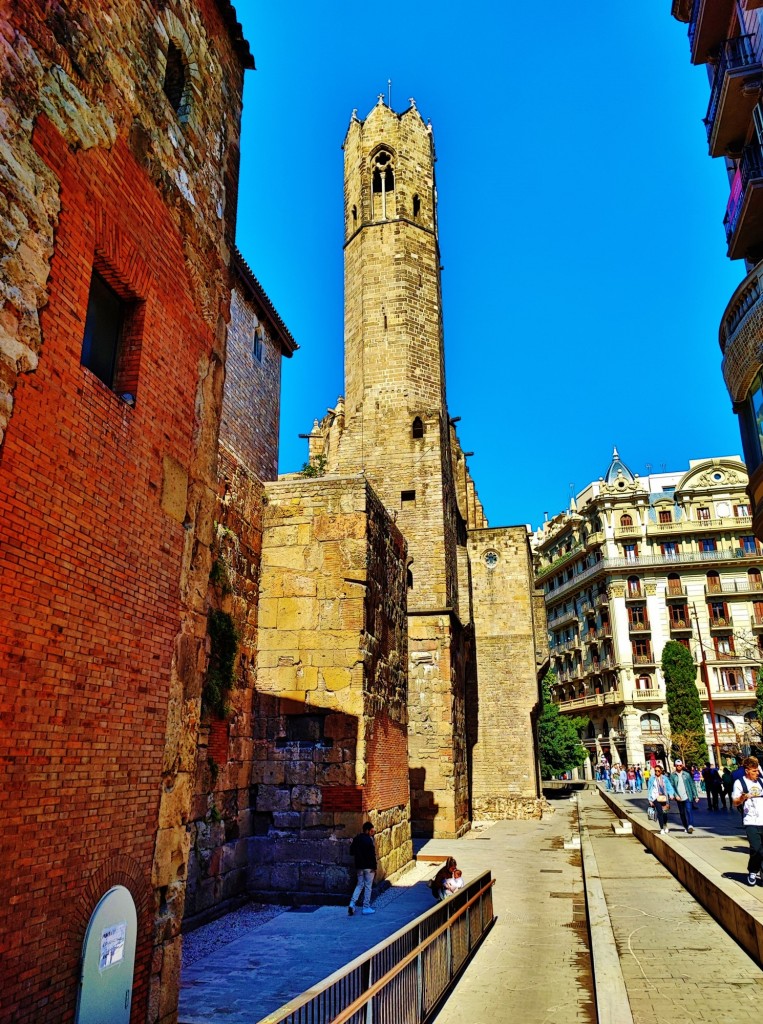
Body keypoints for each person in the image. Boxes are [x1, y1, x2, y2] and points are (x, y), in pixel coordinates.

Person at [732, 756, 763, 886]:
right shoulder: (739, 783)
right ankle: (752, 871)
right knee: (756, 849)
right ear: (747, 770)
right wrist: (742, 798)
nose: (757, 773)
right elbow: (735, 802)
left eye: (757, 770)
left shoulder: (761, 781)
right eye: (754, 771)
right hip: (751, 821)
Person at [348, 821, 377, 916]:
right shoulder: (369, 840)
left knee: (359, 885)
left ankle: (352, 904)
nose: (372, 833)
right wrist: (374, 867)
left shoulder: (356, 839)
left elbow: (351, 852)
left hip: (359, 866)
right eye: (371, 831)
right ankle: (366, 907)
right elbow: (372, 855)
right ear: (368, 830)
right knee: (368, 886)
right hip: (369, 867)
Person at [668, 758, 699, 834]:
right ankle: (685, 826)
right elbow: (671, 787)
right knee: (682, 813)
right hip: (679, 797)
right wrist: (675, 795)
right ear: (675, 766)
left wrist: (696, 796)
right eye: (677, 765)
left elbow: (692, 785)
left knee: (689, 810)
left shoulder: (687, 774)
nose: (679, 766)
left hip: (687, 796)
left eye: (680, 765)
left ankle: (690, 825)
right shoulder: (672, 776)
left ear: (682, 766)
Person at [648, 764, 675, 835]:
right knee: (659, 813)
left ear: (661, 771)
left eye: (658, 771)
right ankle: (661, 828)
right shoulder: (652, 779)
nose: (657, 772)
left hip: (664, 797)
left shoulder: (665, 778)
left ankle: (665, 824)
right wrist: (650, 799)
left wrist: (671, 794)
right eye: (655, 771)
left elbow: (669, 787)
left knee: (665, 813)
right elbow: (649, 789)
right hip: (655, 797)